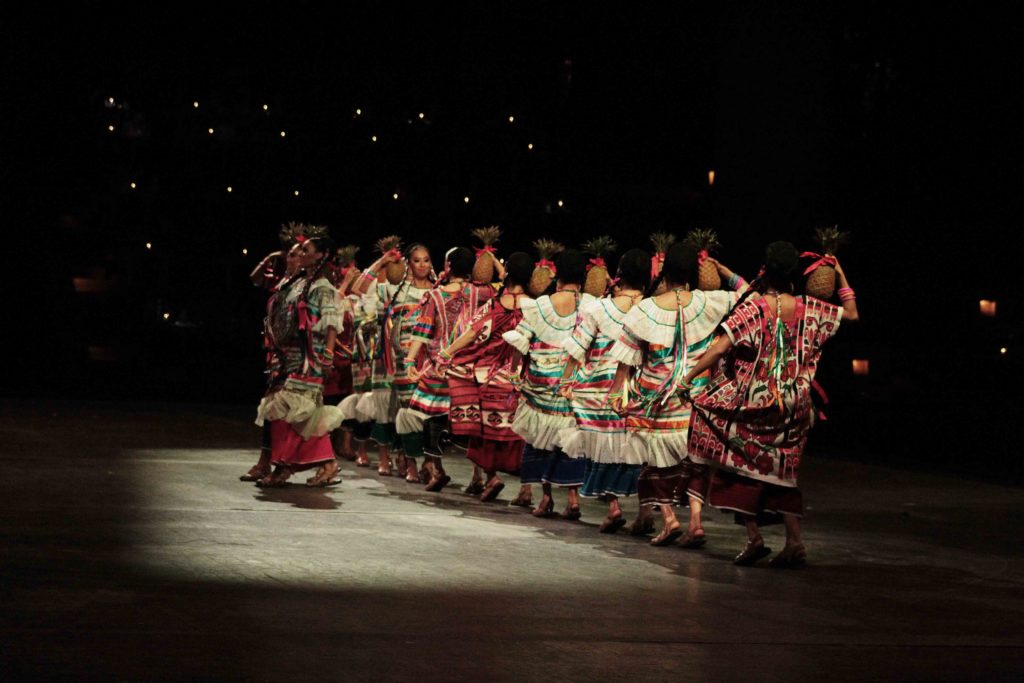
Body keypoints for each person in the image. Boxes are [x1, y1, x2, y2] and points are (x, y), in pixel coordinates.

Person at [684, 241, 859, 567]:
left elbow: (720, 349)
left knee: (731, 458)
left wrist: (688, 377)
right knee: (781, 474)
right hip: (796, 408)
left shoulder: (755, 309)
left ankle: (754, 537)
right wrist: (839, 271)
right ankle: (794, 542)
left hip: (757, 407)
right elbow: (851, 312)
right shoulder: (810, 308)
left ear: (765, 271)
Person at [607, 242, 747, 546]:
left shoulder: (645, 308)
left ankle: (670, 519)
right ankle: (695, 522)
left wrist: (617, 392)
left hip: (655, 397)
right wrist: (726, 273)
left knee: (653, 462)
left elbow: (626, 357)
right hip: (695, 394)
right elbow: (755, 298)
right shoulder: (710, 302)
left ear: (663, 271)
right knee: (693, 460)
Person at [558, 248, 649, 533]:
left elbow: (578, 346)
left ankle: (611, 506)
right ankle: (644, 512)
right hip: (636, 389)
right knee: (633, 450)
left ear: (619, 274)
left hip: (598, 387)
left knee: (597, 448)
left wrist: (564, 381)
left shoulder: (599, 307)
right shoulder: (652, 308)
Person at [503, 249, 594, 519]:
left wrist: (513, 372)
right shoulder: (591, 304)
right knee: (570, 441)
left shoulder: (540, 305)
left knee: (540, 440)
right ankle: (573, 499)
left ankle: (545, 499)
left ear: (556, 273)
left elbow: (520, 339)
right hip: (574, 383)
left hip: (541, 382)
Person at [437, 251, 532, 502]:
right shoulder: (537, 307)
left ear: (508, 275)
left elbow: (472, 333)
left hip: (490, 376)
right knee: (525, 437)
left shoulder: (495, 304)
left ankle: (491, 477)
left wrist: (447, 353)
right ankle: (527, 490)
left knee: (481, 430)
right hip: (524, 379)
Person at [398, 247, 494, 490]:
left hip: (439, 367)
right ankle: (479, 476)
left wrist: (410, 361)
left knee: (434, 418)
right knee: (472, 422)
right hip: (471, 367)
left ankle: (437, 470)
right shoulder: (484, 293)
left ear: (448, 266)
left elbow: (422, 331)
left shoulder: (435, 296)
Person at [254, 235, 345, 487]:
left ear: (320, 255)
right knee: (288, 412)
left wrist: (326, 357)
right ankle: (309, 465)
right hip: (288, 357)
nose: (301, 253)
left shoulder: (323, 287)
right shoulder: (298, 283)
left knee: (296, 412)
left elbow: (330, 326)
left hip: (309, 358)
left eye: (306, 250)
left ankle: (297, 466)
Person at [350, 243, 435, 476]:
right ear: (408, 263)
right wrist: (382, 262)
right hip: (402, 361)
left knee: (427, 414)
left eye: (426, 260)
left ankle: (428, 462)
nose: (422, 265)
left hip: (429, 361)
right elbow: (359, 288)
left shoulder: (437, 290)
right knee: (405, 411)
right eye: (417, 260)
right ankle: (410, 464)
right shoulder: (396, 290)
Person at [240, 236, 305, 482]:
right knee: (272, 409)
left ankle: (279, 463)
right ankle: (268, 462)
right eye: (290, 254)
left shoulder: (305, 284)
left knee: (292, 412)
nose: (293, 258)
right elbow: (255, 279)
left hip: (296, 355)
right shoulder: (284, 283)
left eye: (299, 254)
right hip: (277, 354)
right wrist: (270, 258)